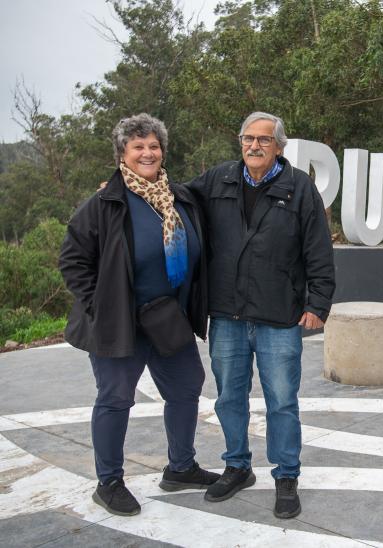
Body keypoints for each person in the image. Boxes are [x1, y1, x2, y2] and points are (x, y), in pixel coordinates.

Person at [59, 113, 218, 517]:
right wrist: (103, 306)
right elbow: (73, 261)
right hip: (121, 325)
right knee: (115, 400)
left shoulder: (179, 197)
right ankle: (109, 482)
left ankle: (181, 467)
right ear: (122, 154)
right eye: (138, 147)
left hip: (169, 320)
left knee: (186, 387)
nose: (147, 153)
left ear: (162, 151)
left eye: (154, 146)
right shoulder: (103, 204)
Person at [188, 112, 335, 519]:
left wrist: (317, 304)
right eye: (247, 138)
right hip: (227, 315)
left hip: (279, 316)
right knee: (229, 398)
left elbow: (319, 252)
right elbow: (177, 198)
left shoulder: (301, 189)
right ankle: (237, 466)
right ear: (240, 142)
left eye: (264, 140)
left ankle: (286, 475)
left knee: (282, 402)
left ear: (279, 146)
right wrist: (133, 190)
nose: (254, 146)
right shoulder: (218, 180)